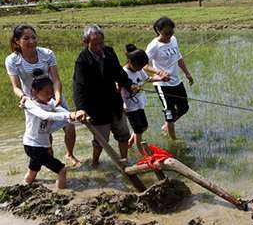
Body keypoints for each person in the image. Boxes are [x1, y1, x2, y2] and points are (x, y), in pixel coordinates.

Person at [5, 24, 80, 166]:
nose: (31, 41)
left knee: (70, 125)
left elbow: (56, 79)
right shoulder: (12, 60)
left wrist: (57, 96)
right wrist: (23, 97)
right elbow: (16, 87)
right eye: (26, 38)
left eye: (34, 37)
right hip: (32, 100)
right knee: (44, 131)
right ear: (17, 41)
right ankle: (50, 157)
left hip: (52, 95)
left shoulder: (47, 53)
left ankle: (70, 154)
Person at [73, 24, 137, 168]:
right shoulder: (82, 60)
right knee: (101, 140)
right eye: (94, 44)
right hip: (96, 107)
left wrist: (129, 85)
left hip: (114, 102)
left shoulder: (109, 52)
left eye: (101, 43)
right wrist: (81, 109)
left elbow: (119, 73)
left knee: (123, 134)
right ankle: (95, 162)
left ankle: (124, 161)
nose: (99, 47)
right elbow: (78, 87)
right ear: (85, 42)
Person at [23, 77, 86, 189]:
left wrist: (75, 115)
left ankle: (24, 186)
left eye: (51, 91)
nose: (50, 95)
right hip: (33, 146)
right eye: (46, 92)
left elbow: (64, 112)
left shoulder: (50, 102)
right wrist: (69, 115)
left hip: (41, 146)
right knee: (62, 170)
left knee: (33, 171)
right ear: (35, 92)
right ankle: (63, 194)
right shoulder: (29, 104)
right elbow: (45, 115)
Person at [146, 17, 194, 140]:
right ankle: (174, 140)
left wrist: (187, 73)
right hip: (163, 85)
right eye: (166, 33)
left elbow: (179, 58)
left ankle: (167, 125)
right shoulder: (154, 46)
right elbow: (144, 64)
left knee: (184, 108)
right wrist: (159, 73)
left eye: (171, 32)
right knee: (170, 113)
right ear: (158, 30)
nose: (169, 35)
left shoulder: (173, 40)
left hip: (176, 81)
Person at [121, 44, 169, 154]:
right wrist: (132, 89)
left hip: (139, 104)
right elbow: (118, 89)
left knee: (144, 126)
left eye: (141, 67)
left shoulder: (139, 69)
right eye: (138, 67)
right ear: (130, 62)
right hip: (129, 107)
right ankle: (144, 155)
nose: (140, 69)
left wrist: (161, 78)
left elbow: (148, 79)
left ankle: (130, 142)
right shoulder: (123, 73)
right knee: (138, 131)